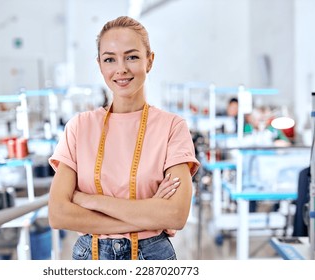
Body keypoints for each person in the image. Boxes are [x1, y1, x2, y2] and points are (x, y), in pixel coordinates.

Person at [47, 16, 200, 260]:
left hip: (152, 257)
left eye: (132, 57)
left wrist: (89, 201)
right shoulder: (79, 127)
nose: (121, 69)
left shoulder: (172, 127)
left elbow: (175, 215)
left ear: (150, 61)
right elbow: (58, 214)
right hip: (90, 256)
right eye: (110, 59)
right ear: (100, 65)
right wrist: (148, 212)